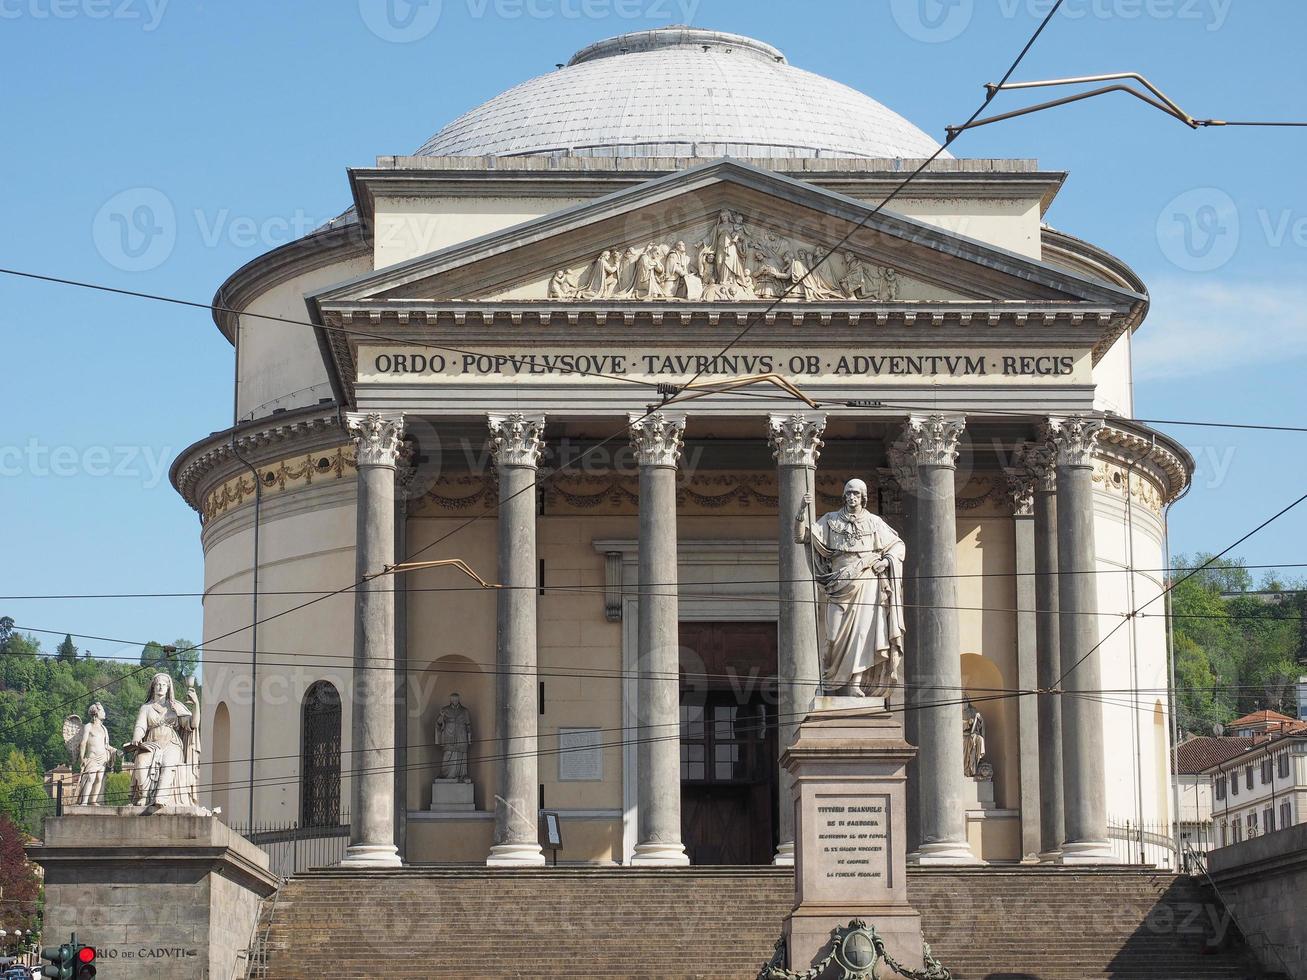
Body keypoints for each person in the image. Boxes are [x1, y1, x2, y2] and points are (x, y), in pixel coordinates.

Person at [797, 479, 906, 697]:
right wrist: (801, 512)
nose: (851, 497)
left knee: (863, 635)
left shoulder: (874, 523)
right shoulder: (830, 521)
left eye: (856, 493)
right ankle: (828, 682)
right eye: (848, 493)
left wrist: (886, 561)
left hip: (867, 581)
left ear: (863, 497)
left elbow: (898, 545)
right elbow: (803, 537)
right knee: (832, 637)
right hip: (839, 584)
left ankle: (856, 682)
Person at [126, 672, 200, 809]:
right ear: (153, 687)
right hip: (151, 743)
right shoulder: (146, 708)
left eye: (164, 685)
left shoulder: (175, 707)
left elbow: (193, 724)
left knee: (168, 764)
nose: (160, 687)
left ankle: (160, 798)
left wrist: (196, 704)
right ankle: (145, 796)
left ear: (168, 688)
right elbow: (140, 726)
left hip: (172, 743)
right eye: (158, 684)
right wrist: (136, 737)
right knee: (141, 763)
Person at [76, 702, 119, 805]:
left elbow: (107, 745)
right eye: (102, 711)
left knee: (99, 779)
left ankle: (93, 800)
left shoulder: (104, 729)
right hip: (92, 757)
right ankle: (84, 801)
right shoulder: (88, 726)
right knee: (90, 778)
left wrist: (115, 750)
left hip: (103, 757)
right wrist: (82, 758)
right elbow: (83, 743)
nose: (104, 713)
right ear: (96, 713)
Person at [435, 693, 473, 782]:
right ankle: (445, 775)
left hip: (461, 735)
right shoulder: (445, 710)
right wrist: (441, 716)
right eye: (453, 699)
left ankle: (462, 775)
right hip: (449, 735)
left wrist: (469, 737)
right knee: (448, 754)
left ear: (459, 700)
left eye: (456, 699)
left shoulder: (464, 711)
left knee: (461, 755)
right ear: (450, 700)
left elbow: (468, 724)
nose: (455, 701)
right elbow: (438, 723)